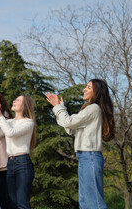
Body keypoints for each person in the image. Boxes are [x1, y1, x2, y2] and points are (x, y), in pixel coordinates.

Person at [45, 79, 115, 209]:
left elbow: (68, 122)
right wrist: (60, 108)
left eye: (88, 87)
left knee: (94, 203)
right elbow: (70, 128)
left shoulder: (93, 108)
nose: (84, 89)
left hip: (90, 157)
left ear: (97, 91)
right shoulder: (89, 109)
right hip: (85, 157)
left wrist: (58, 107)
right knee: (85, 202)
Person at [0, 95, 36, 209]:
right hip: (10, 163)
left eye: (18, 100)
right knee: (12, 203)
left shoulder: (28, 123)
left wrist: (0, 116)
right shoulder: (9, 122)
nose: (14, 101)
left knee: (22, 202)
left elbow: (11, 133)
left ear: (25, 105)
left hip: (23, 163)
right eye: (14, 99)